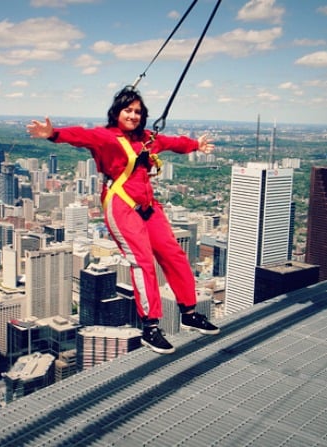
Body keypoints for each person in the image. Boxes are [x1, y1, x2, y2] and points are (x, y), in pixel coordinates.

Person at [27, 86, 219, 354]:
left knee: (173, 254)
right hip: (121, 205)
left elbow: (173, 143)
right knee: (142, 262)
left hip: (148, 206)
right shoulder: (106, 137)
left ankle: (189, 311)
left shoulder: (148, 139)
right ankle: (151, 327)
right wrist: (52, 134)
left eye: (138, 112)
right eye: (128, 110)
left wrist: (195, 145)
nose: (133, 115)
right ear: (117, 112)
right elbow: (80, 136)